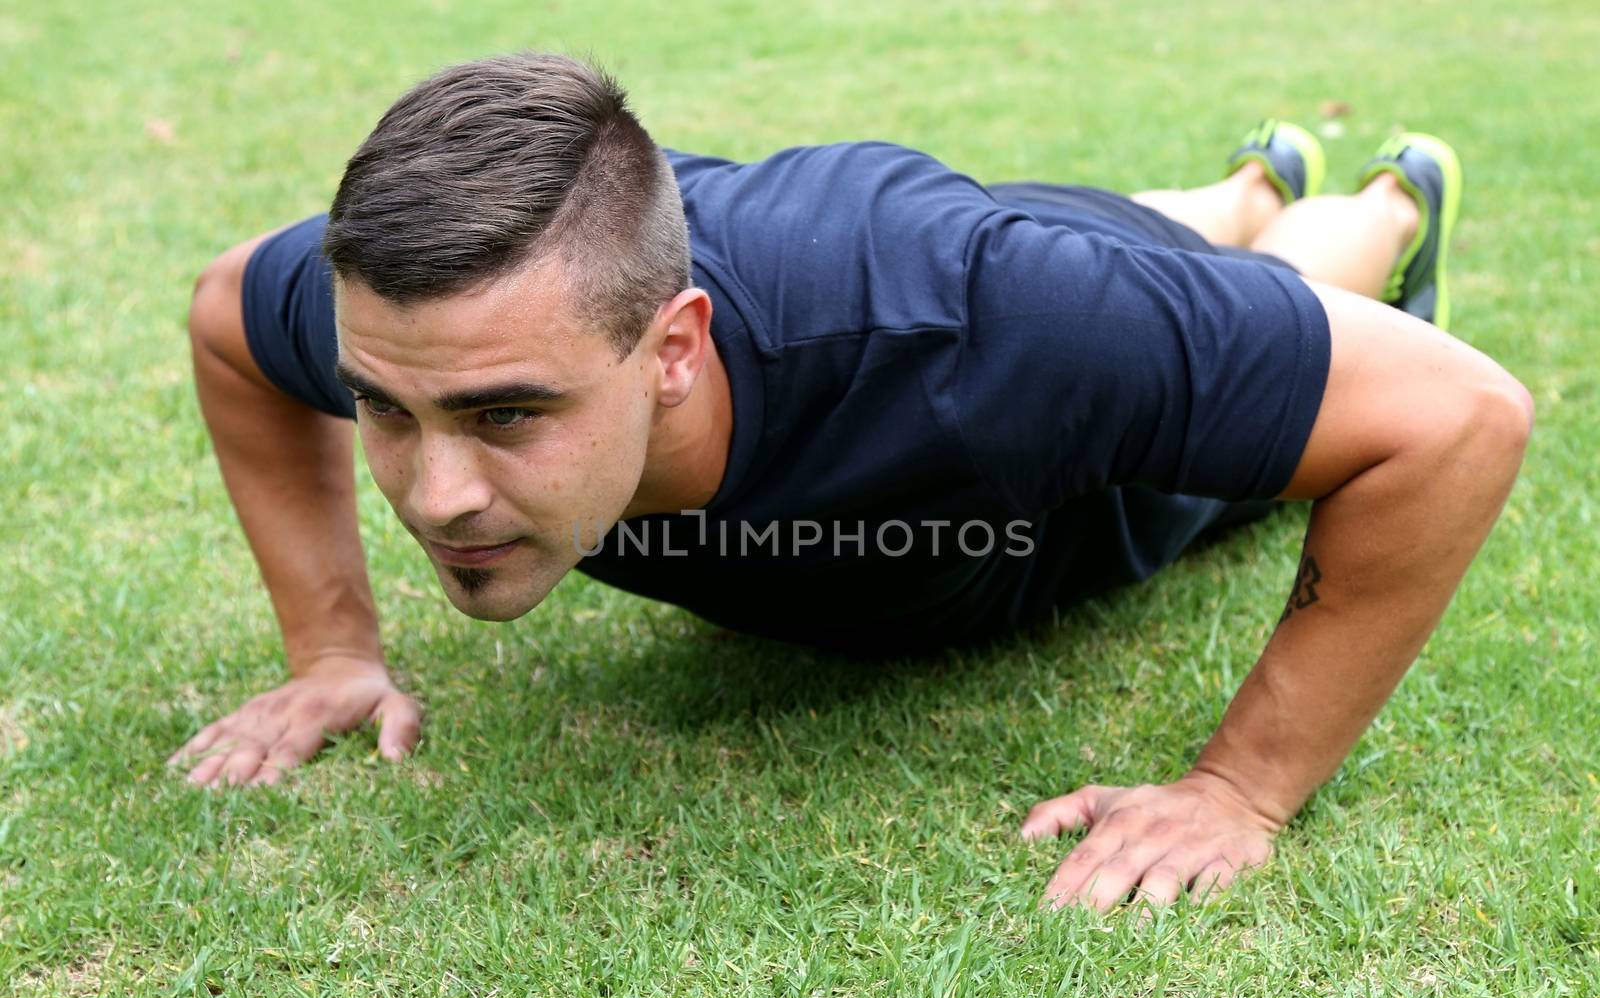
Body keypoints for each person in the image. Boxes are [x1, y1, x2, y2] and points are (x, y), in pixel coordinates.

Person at [172, 53, 1532, 912]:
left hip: (1055, 436)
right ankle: (1242, 180)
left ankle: (1390, 199)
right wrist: (332, 648)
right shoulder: (433, 308)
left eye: (507, 414)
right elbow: (229, 313)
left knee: (1280, 289)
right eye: (385, 411)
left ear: (673, 351)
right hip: (994, 241)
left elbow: (1458, 416)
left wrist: (1240, 789)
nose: (438, 492)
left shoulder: (986, 341)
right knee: (1139, 255)